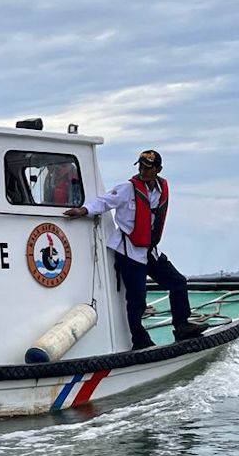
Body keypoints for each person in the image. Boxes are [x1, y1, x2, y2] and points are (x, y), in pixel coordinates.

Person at [63, 149, 198, 350]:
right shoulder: (128, 188)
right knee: (136, 299)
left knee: (178, 282)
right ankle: (139, 341)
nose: (143, 171)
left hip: (150, 251)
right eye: (141, 166)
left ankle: (182, 325)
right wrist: (83, 210)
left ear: (158, 170)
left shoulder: (161, 188)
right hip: (129, 252)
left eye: (148, 168)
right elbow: (105, 201)